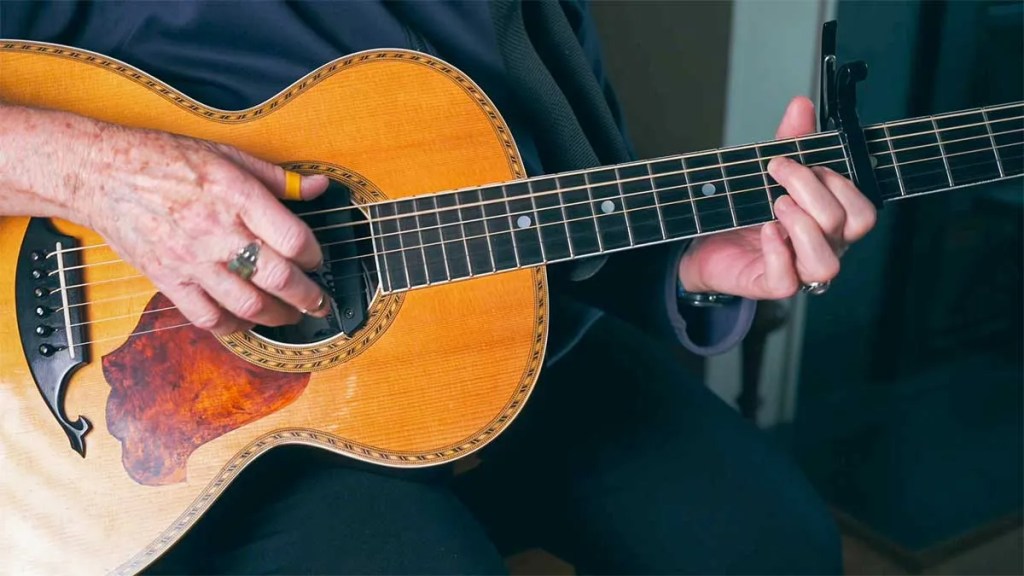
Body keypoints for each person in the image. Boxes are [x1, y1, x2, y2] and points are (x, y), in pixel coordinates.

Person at [0, 1, 876, 574]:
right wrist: (105, 178)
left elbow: (566, 183)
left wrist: (689, 267)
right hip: (180, 384)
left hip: (511, 330)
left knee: (772, 546)